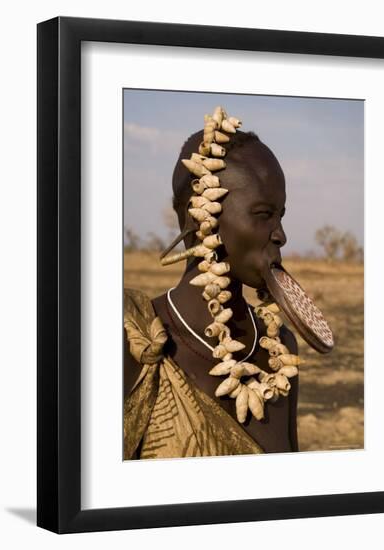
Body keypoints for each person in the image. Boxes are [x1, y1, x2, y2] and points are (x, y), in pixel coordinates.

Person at [123, 107, 299, 460]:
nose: (280, 235)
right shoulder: (135, 339)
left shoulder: (279, 348)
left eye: (280, 216)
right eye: (264, 215)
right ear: (198, 218)